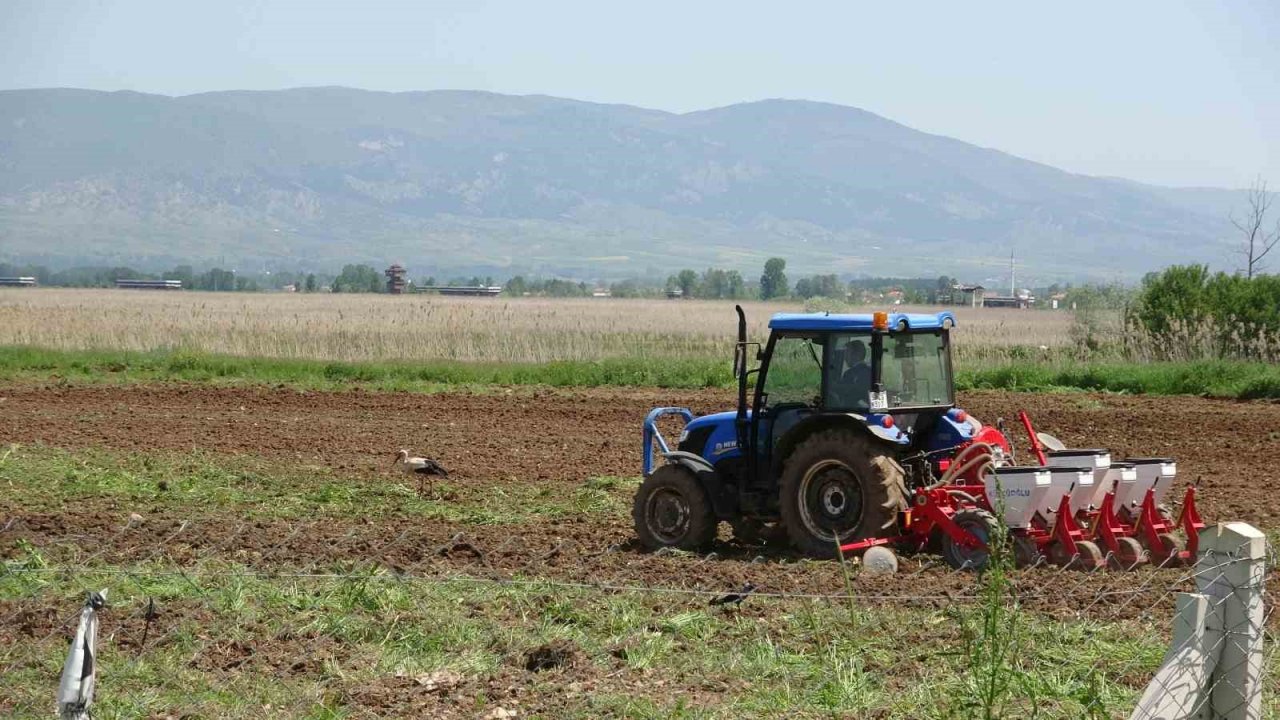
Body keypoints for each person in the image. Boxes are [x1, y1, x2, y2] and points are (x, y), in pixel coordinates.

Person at [832, 339, 871, 408]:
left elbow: (847, 395)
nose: (845, 358)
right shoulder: (873, 373)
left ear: (857, 354)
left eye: (847, 353)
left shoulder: (849, 374)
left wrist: (834, 387)